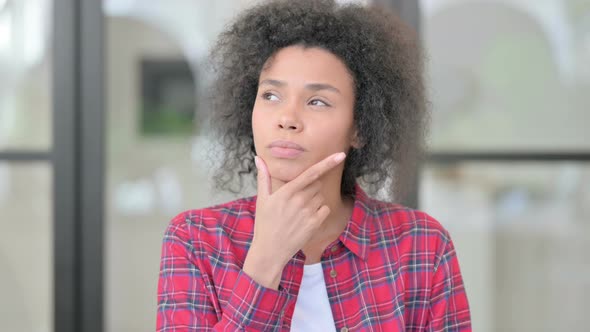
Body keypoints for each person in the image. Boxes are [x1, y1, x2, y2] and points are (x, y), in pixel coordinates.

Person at [156, 0, 471, 331]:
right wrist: (266, 258)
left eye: (317, 101)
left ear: (360, 128)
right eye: (271, 96)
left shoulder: (422, 246)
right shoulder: (196, 240)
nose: (287, 119)